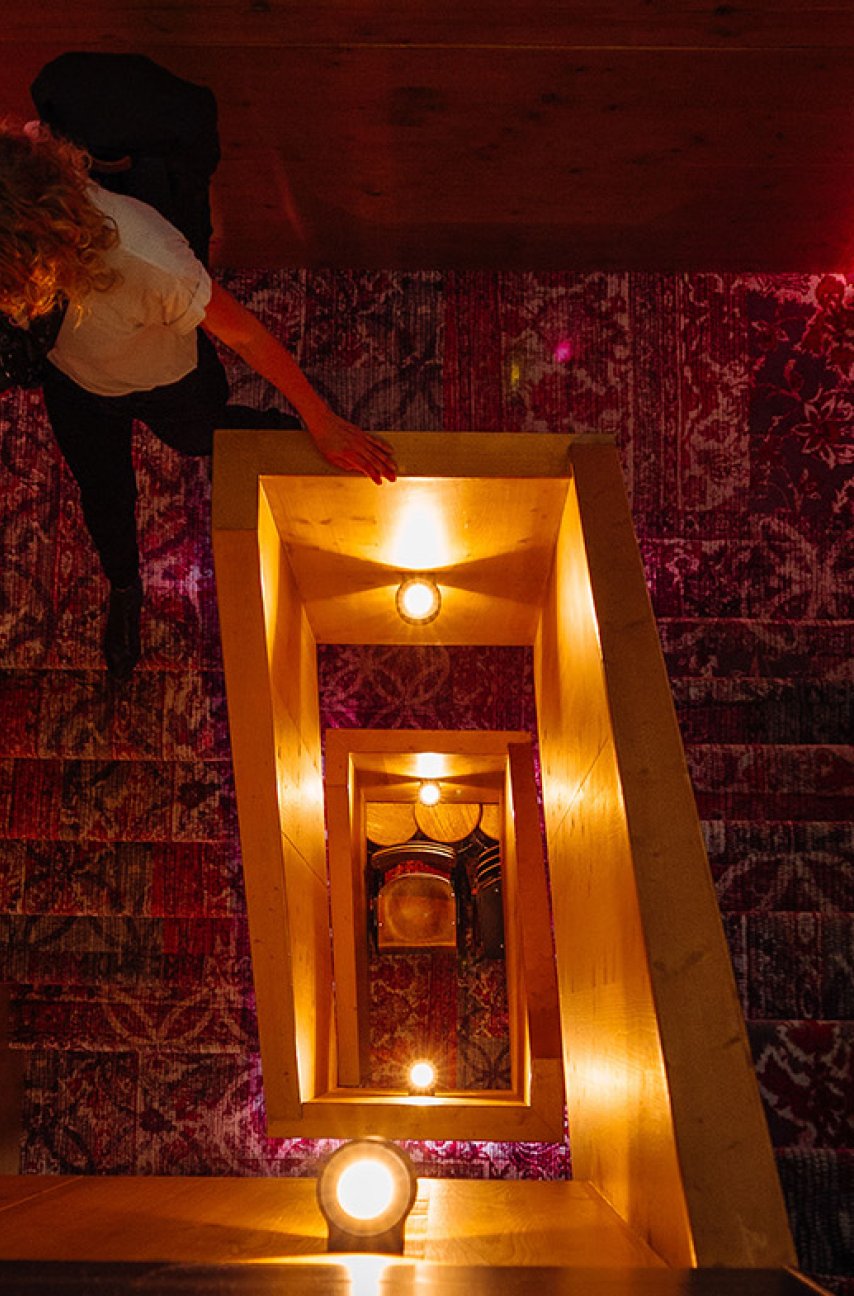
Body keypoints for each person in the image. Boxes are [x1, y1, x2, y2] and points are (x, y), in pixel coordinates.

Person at [0, 120, 397, 680]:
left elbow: (246, 336)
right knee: (104, 491)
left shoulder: (148, 258)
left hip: (171, 382)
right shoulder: (24, 200)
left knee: (205, 437)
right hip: (76, 387)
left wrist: (321, 417)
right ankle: (124, 586)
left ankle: (289, 435)